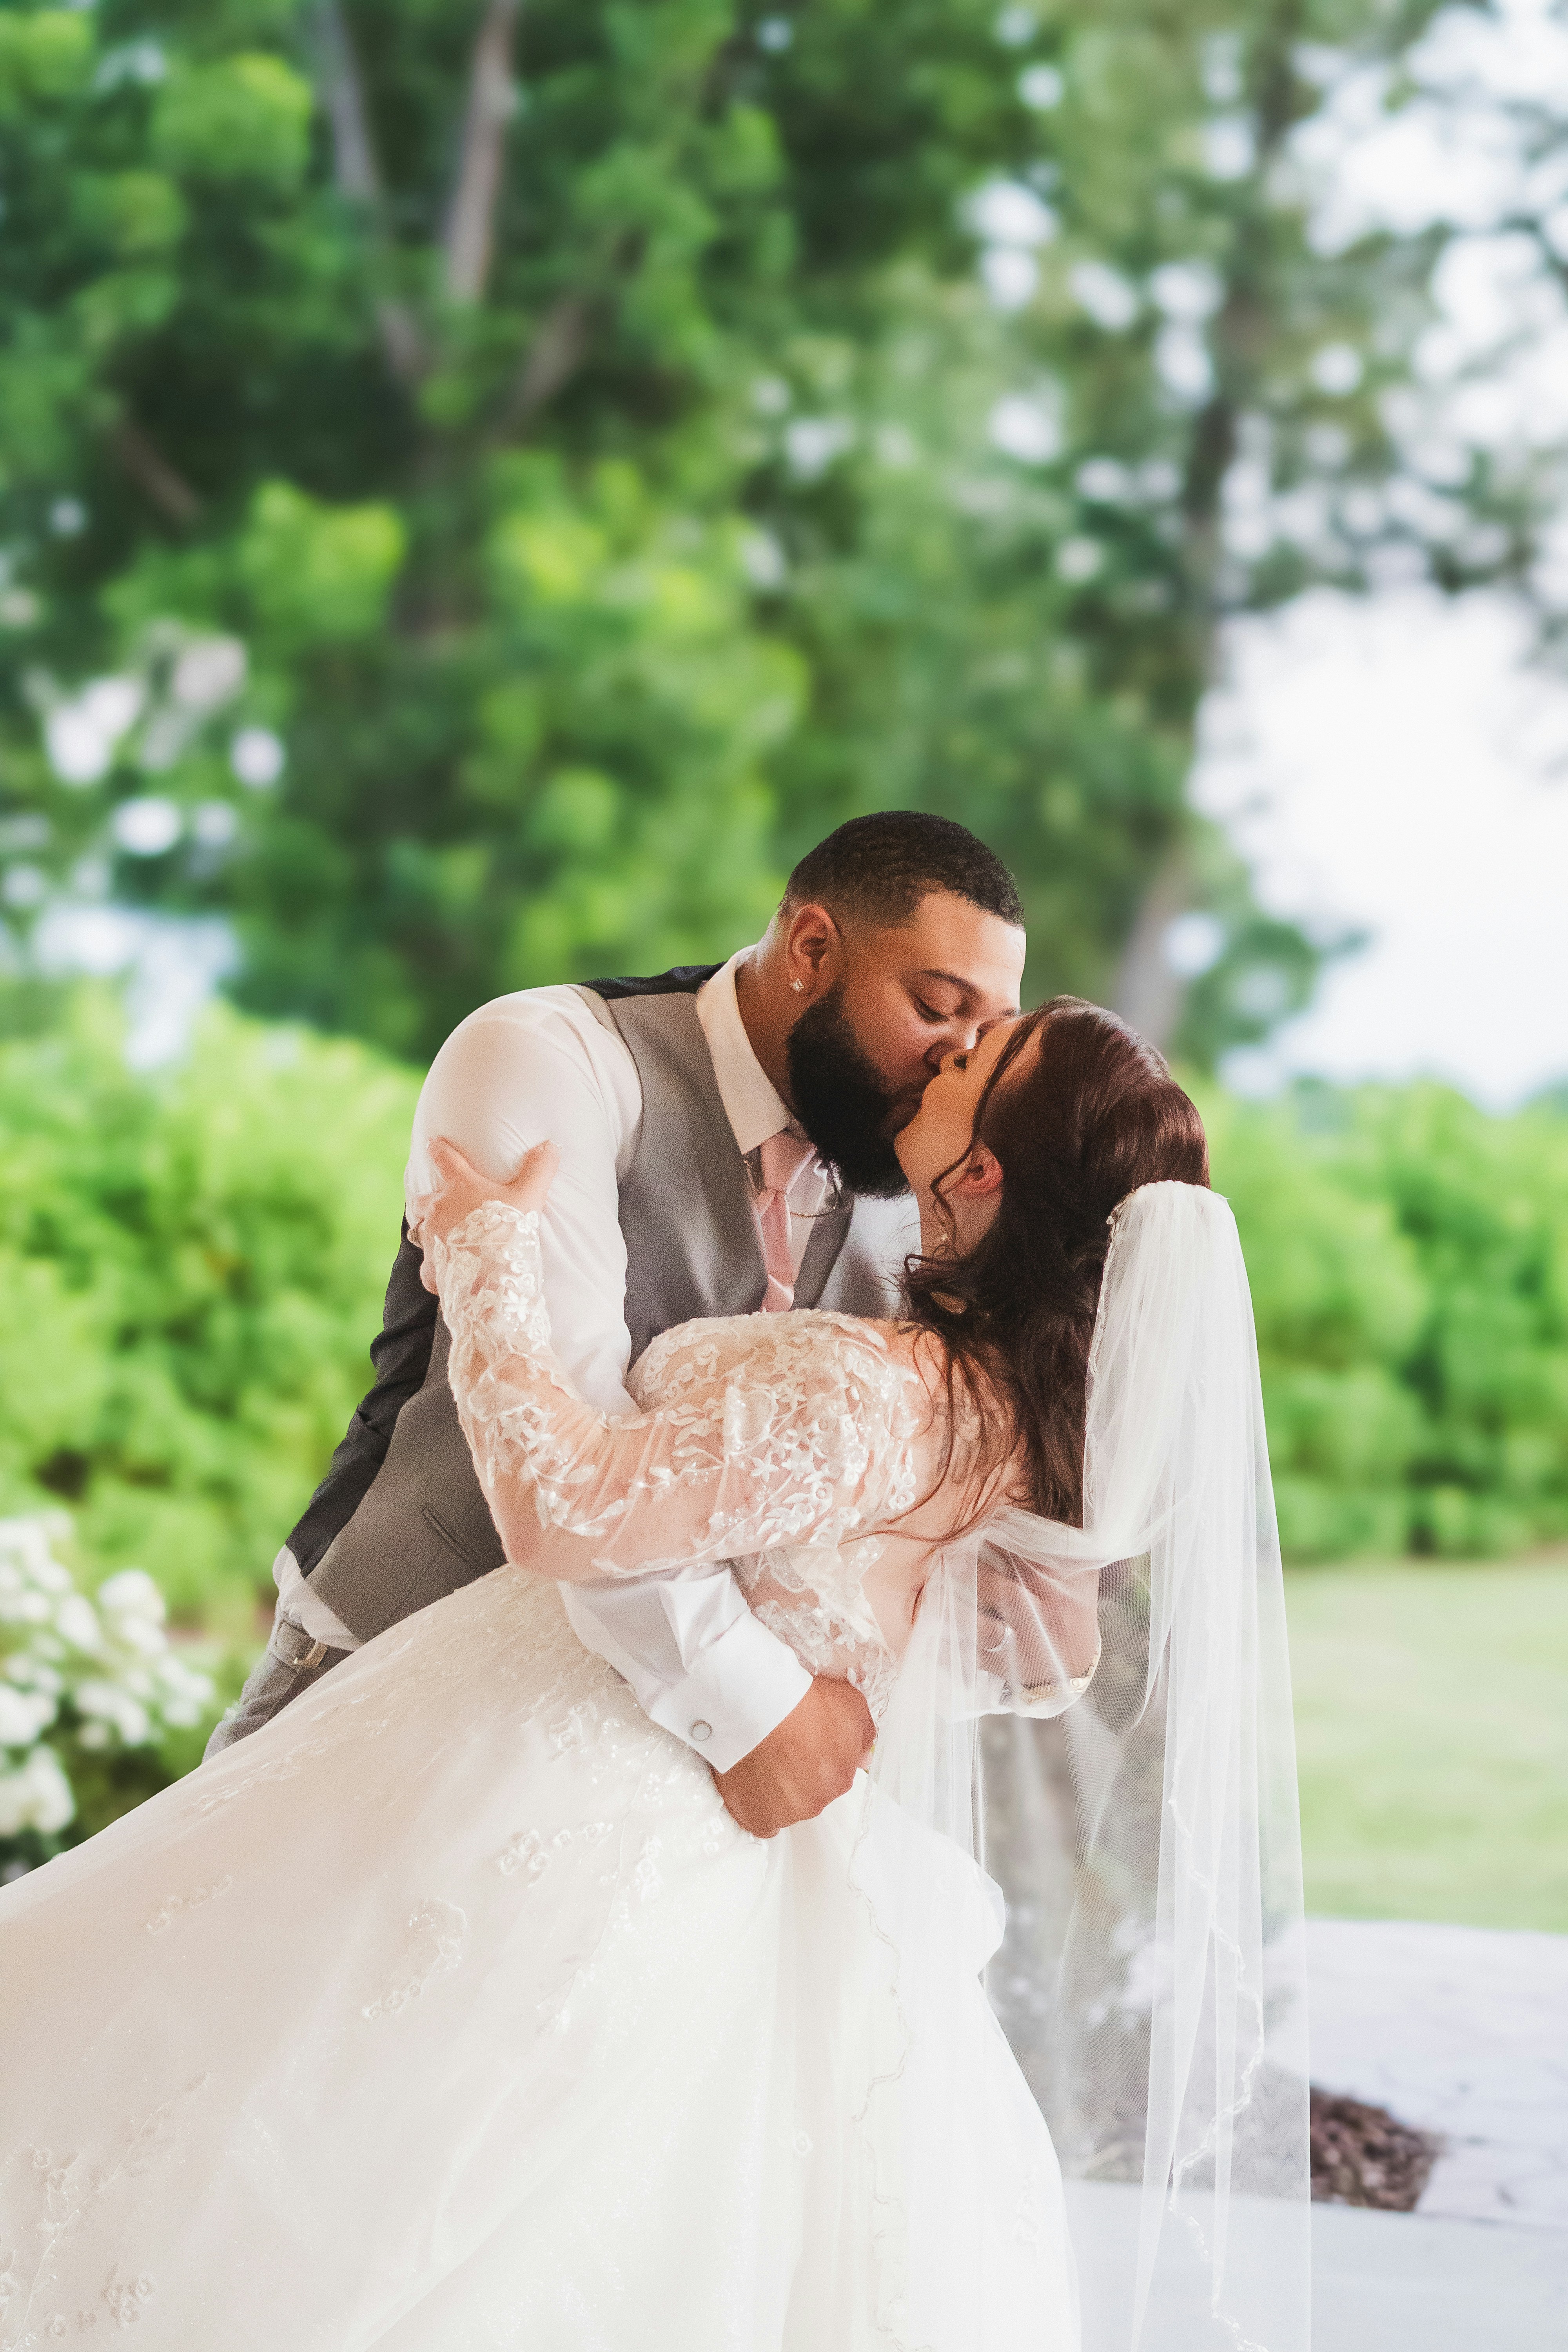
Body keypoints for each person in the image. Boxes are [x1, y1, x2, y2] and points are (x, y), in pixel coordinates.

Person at [0, 998, 1310, 2351]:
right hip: (665, 1788)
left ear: (981, 1171)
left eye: (977, 1055)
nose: (948, 1046)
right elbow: (1034, 1652)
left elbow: (570, 1505)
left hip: (575, 1777)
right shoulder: (1001, 1409)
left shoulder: (885, 1391)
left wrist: (488, 1253)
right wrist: (838, 1660)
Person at [209, 810, 1026, 1840]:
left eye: (986, 1034)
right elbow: (577, 1461)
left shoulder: (912, 1162)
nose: (956, 1058)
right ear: (814, 949)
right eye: (937, 1007)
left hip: (645, 1786)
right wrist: (758, 1712)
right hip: (390, 1678)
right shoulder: (551, 1056)